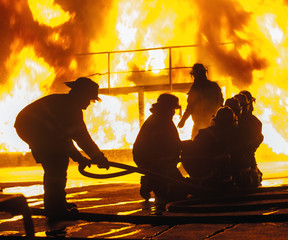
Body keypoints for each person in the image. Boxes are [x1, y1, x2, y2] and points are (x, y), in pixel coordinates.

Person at [14, 77, 110, 220]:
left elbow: (64, 138)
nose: (90, 104)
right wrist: (98, 158)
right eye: (89, 99)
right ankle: (55, 208)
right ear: (81, 95)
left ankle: (58, 203)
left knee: (58, 159)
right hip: (32, 127)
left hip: (34, 127)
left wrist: (79, 158)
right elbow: (82, 137)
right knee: (56, 163)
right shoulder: (69, 108)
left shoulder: (67, 104)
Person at [132, 93, 186, 205]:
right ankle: (150, 181)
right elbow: (163, 146)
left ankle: (153, 179)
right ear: (166, 108)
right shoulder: (160, 121)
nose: (174, 112)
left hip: (158, 160)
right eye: (172, 108)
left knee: (178, 189)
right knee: (178, 193)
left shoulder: (162, 118)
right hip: (154, 161)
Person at [181, 106, 238, 190]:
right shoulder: (213, 137)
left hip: (207, 177)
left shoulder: (212, 134)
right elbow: (220, 163)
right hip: (207, 179)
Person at [178, 63, 224, 139]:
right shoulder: (215, 86)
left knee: (196, 144)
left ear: (195, 74)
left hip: (199, 125)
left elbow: (190, 107)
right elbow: (221, 103)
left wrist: (183, 120)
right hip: (214, 125)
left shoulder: (196, 88)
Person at [232, 91, 263, 188]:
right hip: (230, 161)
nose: (243, 109)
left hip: (245, 158)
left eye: (244, 106)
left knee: (253, 179)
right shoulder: (228, 121)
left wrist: (249, 148)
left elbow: (259, 139)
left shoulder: (254, 122)